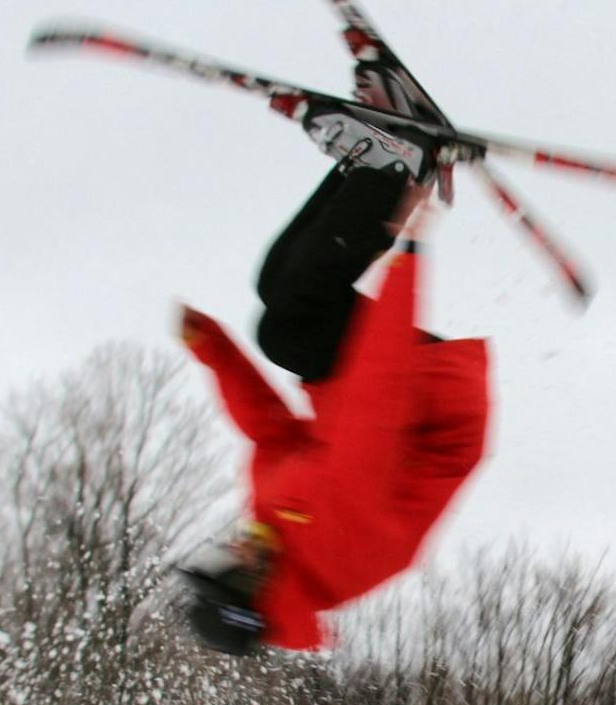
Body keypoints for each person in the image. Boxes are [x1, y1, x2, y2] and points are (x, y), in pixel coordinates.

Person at [176, 129, 490, 654]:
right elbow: (379, 399)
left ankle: (367, 165)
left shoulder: (275, 535)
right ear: (251, 590)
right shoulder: (340, 544)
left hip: (367, 405)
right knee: (291, 329)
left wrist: (210, 347)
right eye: (225, 565)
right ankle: (398, 174)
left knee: (278, 295)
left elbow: (270, 431)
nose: (228, 547)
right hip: (431, 410)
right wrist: (409, 256)